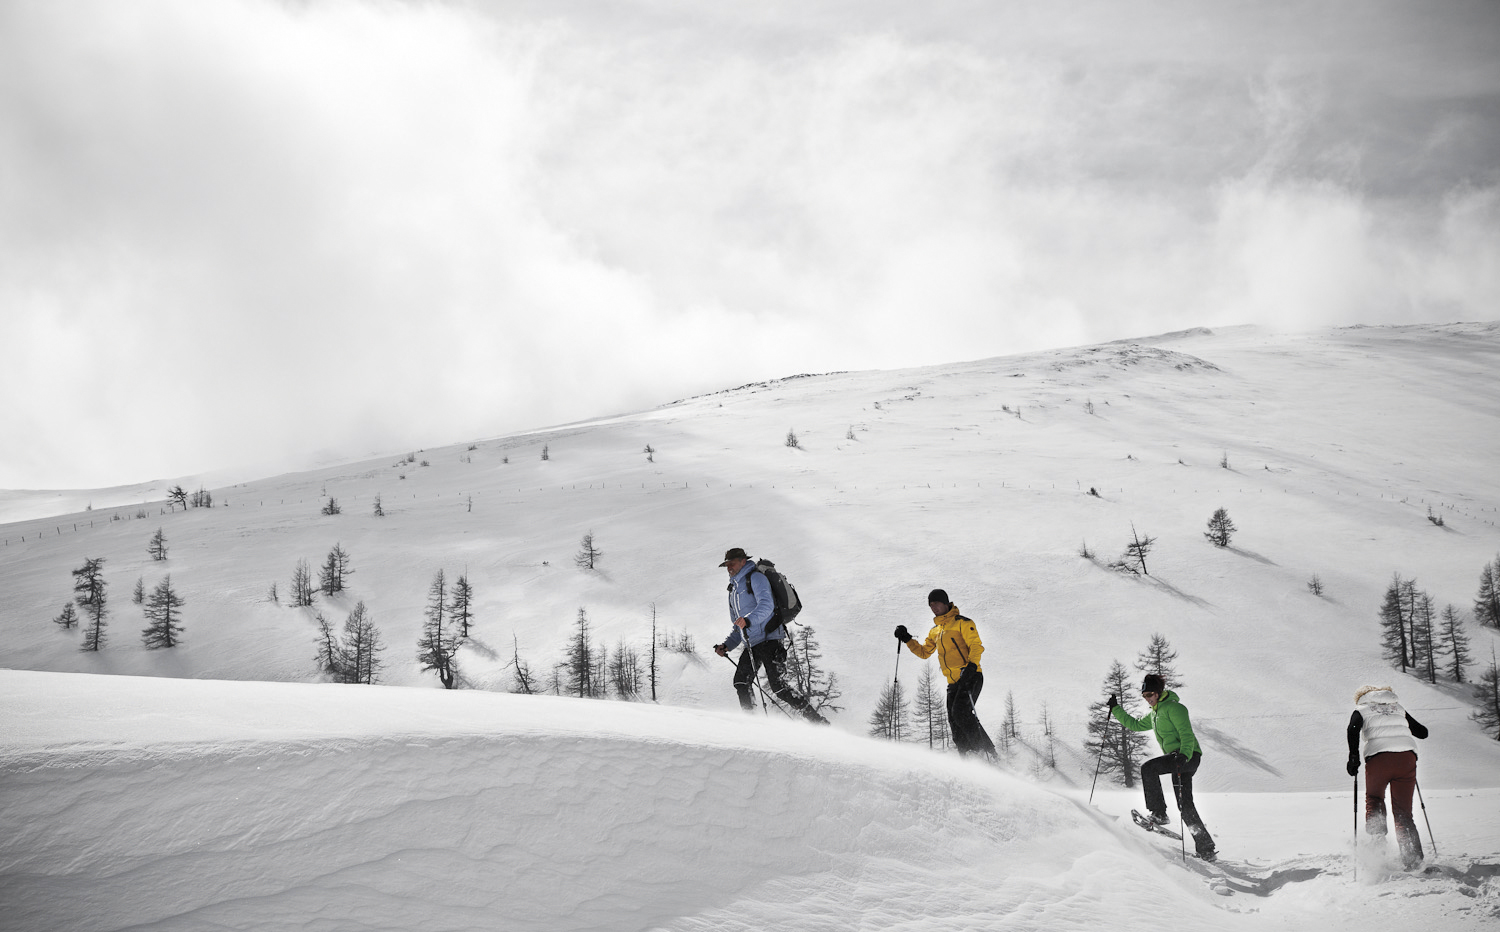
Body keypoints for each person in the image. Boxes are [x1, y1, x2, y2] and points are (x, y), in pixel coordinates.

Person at [1109, 673, 1217, 861]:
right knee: (1185, 806)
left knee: (1148, 768)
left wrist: (1184, 754)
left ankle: (1159, 813)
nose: (1148, 699)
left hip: (1187, 756)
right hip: (1178, 758)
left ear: (1158, 692)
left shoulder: (1175, 708)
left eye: (1150, 694)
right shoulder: (1154, 714)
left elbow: (1186, 734)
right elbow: (1133, 724)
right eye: (1144, 696)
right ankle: (1206, 848)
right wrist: (1115, 708)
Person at [712, 548, 826, 723]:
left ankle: (817, 721)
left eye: (732, 563)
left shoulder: (756, 578)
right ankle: (752, 722)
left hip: (771, 638)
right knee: (741, 682)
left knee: (778, 687)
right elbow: (738, 625)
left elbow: (766, 606)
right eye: (726, 565)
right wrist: (727, 645)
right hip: (752, 643)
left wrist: (748, 621)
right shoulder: (733, 590)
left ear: (743, 561)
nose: (729, 568)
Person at [894, 589, 997, 760]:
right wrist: (907, 639)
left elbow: (976, 645)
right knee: (953, 720)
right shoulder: (935, 631)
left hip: (970, 675)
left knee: (960, 712)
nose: (934, 607)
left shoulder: (962, 622)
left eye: (936, 603)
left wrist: (971, 666)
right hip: (953, 682)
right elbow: (924, 652)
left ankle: (987, 753)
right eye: (931, 605)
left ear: (945, 602)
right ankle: (966, 756)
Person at [1347, 684, 1428, 869]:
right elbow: (1422, 732)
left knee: (1374, 799)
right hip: (1406, 759)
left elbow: (1352, 729)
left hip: (1379, 759)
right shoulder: (1398, 708)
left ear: (1361, 697)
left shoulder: (1361, 710)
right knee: (1403, 813)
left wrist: (1353, 757)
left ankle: (1377, 846)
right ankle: (1413, 861)